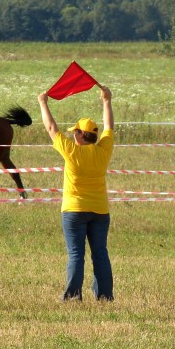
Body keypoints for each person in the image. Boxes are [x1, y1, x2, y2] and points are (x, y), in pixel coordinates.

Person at [38, 85, 115, 301]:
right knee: (100, 254)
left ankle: (73, 296)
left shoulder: (71, 151)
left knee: (76, 255)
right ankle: (105, 296)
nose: (72, 135)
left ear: (81, 135)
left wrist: (43, 102)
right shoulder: (104, 149)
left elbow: (51, 128)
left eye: (75, 132)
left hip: (74, 211)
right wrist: (106, 100)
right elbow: (109, 125)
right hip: (100, 211)